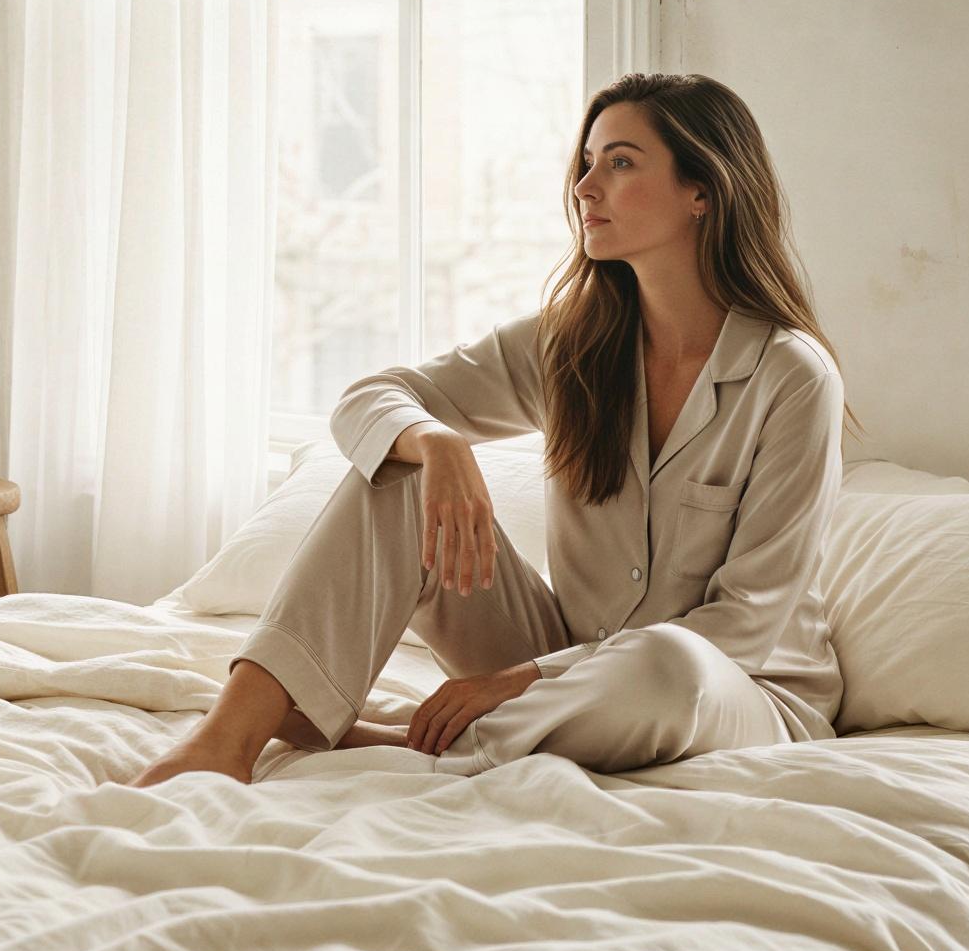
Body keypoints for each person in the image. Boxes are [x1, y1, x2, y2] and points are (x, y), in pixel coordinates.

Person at [117, 70, 862, 787]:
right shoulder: (571, 345)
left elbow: (743, 624)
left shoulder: (790, 376)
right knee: (397, 477)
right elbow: (371, 397)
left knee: (665, 661)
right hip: (565, 661)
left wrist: (518, 681)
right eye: (587, 162)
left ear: (702, 191)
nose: (585, 187)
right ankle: (226, 740)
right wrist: (436, 444)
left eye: (621, 163)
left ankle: (410, 740)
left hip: (733, 689)